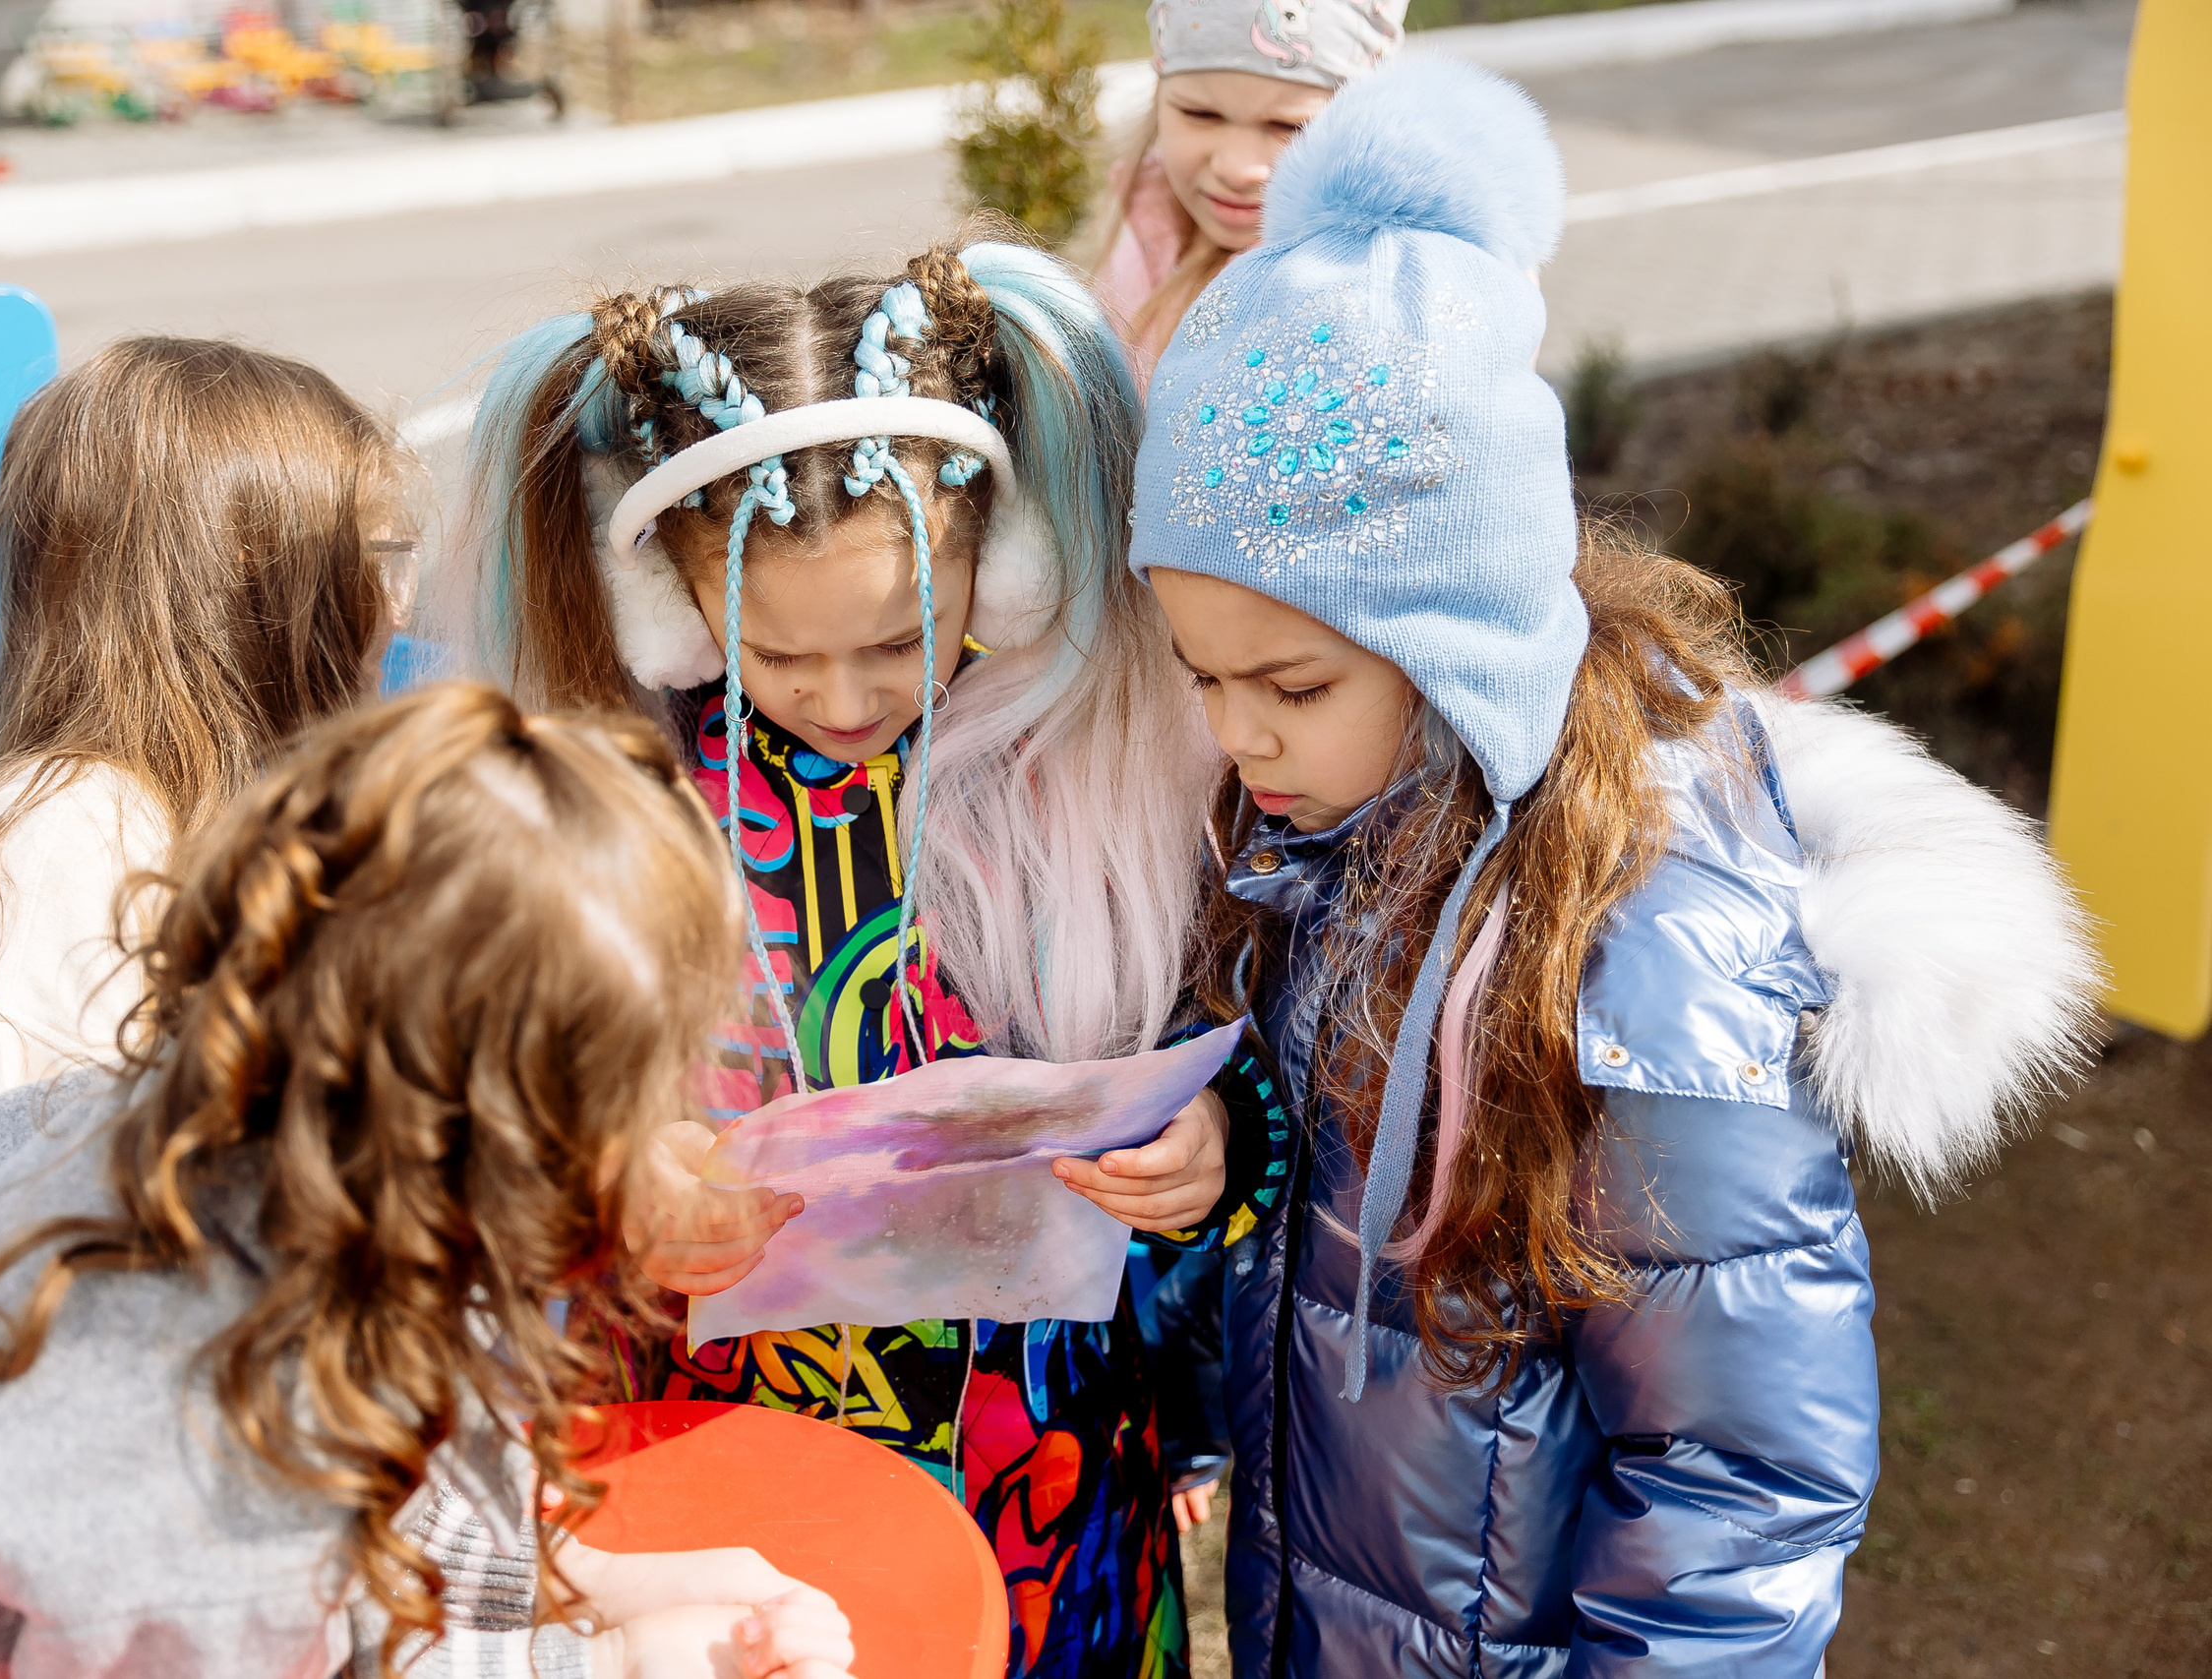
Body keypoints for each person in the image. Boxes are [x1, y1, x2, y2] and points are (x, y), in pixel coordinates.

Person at [1129, 58, 2104, 1675]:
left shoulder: (1639, 948)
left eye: (1292, 686)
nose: (1240, 738)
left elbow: (1744, 1472)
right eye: (1199, 673)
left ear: (1457, 640)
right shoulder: (1343, 840)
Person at [466, 239, 1290, 1676]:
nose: (843, 699)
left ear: (1012, 564)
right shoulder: (617, 808)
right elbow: (488, 1137)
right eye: (778, 657)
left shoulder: (1080, 777)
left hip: (1054, 1489)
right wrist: (618, 1185)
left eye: (902, 638)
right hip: (727, 1506)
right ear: (667, 605)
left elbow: (1230, 1038)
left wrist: (1222, 1149)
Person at [0, 686, 860, 1679]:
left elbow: (368, 1509)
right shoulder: (210, 1481)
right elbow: (250, 1568)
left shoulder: (132, 1129)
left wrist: (574, 1591)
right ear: (528, 1142)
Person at [0, 337, 420, 1228]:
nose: (398, 608)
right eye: (379, 555)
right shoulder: (64, 849)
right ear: (253, 573)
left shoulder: (173, 828)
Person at [1087, 0, 1408, 377]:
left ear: (1359, 126)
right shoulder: (1144, 233)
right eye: (1201, 114)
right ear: (1160, 100)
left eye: (1291, 126)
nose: (1237, 169)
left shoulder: (1347, 305)